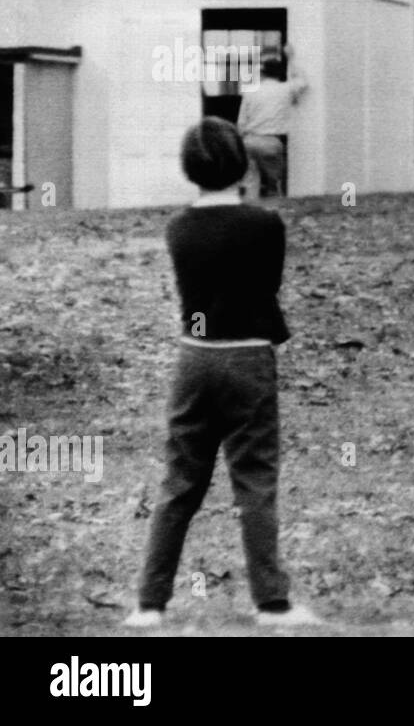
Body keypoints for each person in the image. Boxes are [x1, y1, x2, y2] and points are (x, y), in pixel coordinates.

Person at [124, 117, 317, 628]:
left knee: (180, 483)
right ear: (242, 163)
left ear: (189, 168)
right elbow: (265, 288)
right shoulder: (265, 225)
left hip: (194, 358)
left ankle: (149, 603)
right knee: (254, 482)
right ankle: (271, 603)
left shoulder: (177, 227)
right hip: (248, 358)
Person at [237, 47, 306, 199]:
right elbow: (302, 81)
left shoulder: (250, 91)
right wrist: (291, 59)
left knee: (250, 184)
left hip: (249, 142)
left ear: (262, 73)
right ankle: (275, 212)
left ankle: (251, 216)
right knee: (274, 184)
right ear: (279, 74)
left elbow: (241, 124)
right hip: (271, 142)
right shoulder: (285, 89)